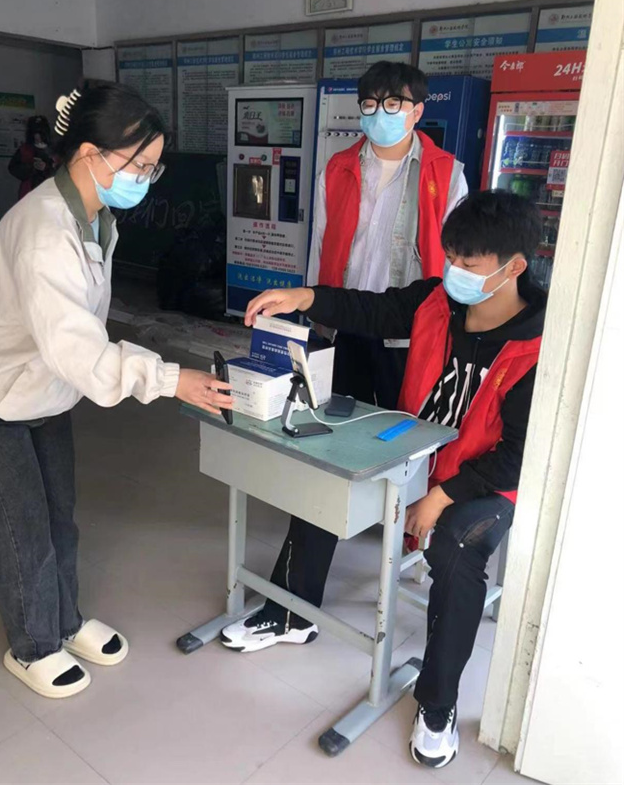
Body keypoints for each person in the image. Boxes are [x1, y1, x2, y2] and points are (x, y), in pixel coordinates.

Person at [223, 190, 545, 769]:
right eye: (451, 257)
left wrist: (442, 496)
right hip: (416, 446)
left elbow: (523, 453)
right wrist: (304, 296)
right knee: (331, 471)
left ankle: (438, 703)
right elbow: (371, 309)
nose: (454, 272)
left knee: (456, 548)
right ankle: (291, 612)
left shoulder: (540, 346)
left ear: (513, 267)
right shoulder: (437, 300)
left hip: (483, 479)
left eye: (469, 264)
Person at [0, 80, 233, 700]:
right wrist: (171, 379)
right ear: (90, 154)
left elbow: (77, 340)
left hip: (45, 392)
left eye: (154, 168)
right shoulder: (44, 232)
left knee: (59, 519)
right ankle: (33, 646)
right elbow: (80, 351)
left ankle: (64, 621)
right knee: (21, 528)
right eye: (140, 166)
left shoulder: (94, 216)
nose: (147, 179)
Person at [308, 61, 467, 411]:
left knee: (404, 421)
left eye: (393, 103)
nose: (380, 113)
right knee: (342, 417)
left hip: (409, 329)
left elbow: (457, 258)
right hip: (347, 318)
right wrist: (317, 309)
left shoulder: (447, 175)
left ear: (417, 112)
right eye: (370, 104)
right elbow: (320, 243)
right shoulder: (336, 169)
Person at [8, 115, 57, 199]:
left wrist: (46, 168)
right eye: (34, 133)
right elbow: (13, 168)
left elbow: (62, 171)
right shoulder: (24, 149)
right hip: (29, 192)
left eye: (40, 133)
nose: (37, 137)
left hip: (50, 192)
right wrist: (31, 167)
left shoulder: (55, 150)